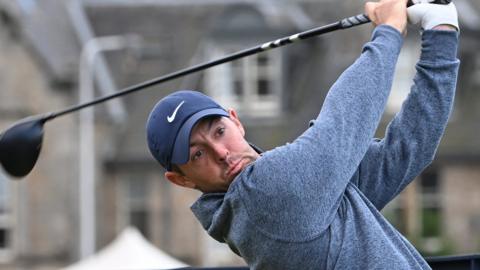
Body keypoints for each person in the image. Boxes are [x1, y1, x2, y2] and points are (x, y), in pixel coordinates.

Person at [146, 0, 460, 268]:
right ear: (181, 179)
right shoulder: (262, 197)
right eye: (197, 154)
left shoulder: (308, 192)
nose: (221, 153)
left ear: (235, 121)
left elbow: (407, 149)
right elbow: (344, 121)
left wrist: (441, 30)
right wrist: (389, 30)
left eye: (219, 131)